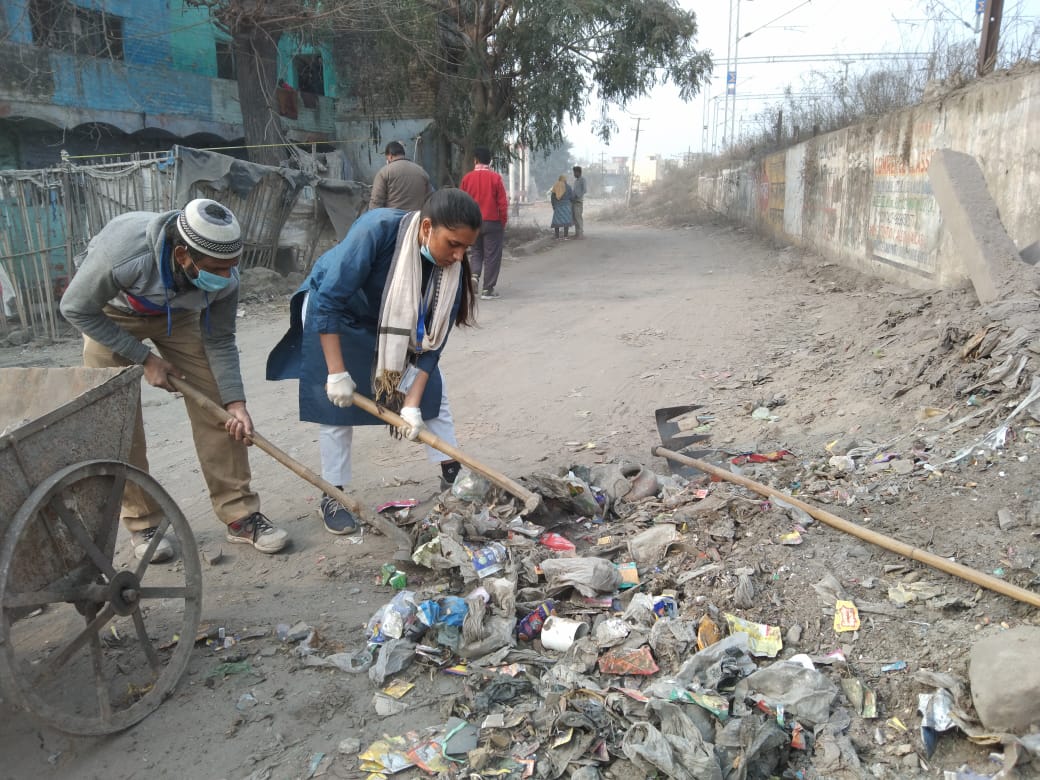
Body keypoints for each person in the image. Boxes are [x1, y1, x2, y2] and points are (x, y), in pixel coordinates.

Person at [59, 199, 290, 562]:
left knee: (218, 410)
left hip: (178, 316)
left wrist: (235, 402)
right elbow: (74, 308)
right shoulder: (123, 253)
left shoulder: (225, 278)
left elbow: (219, 339)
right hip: (110, 318)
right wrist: (146, 359)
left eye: (232, 268)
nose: (226, 276)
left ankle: (240, 515)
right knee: (120, 424)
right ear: (183, 255)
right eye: (217, 269)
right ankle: (143, 522)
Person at [266, 189, 481, 535]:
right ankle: (333, 495)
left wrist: (410, 404)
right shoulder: (377, 231)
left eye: (465, 248)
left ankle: (452, 473)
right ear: (427, 228)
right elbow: (328, 302)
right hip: (338, 317)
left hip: (391, 326)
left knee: (432, 395)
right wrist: (336, 372)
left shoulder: (450, 272)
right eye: (452, 244)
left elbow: (432, 347)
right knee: (336, 410)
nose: (458, 255)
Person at [459, 146, 508, 300]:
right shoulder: (495, 178)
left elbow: (461, 202)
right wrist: (503, 222)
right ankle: (488, 289)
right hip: (492, 222)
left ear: (475, 160)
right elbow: (502, 204)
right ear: (490, 161)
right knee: (492, 255)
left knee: (476, 252)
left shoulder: (467, 178)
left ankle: (474, 277)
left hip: (473, 222)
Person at [369, 141, 433, 211]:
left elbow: (376, 202)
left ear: (390, 156)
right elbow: (430, 198)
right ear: (403, 154)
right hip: (416, 218)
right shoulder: (421, 171)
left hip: (392, 219)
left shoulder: (384, 172)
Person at [571, 166, 587, 239]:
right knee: (574, 218)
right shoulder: (576, 181)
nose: (574, 174)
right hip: (574, 201)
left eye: (575, 172)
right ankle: (577, 233)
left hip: (578, 201)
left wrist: (578, 196)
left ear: (578, 172)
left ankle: (580, 234)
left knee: (578, 218)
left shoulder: (583, 180)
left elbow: (584, 190)